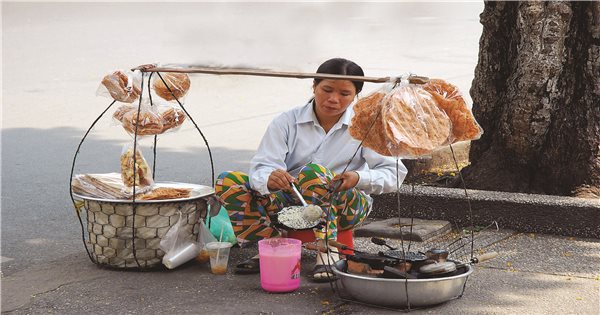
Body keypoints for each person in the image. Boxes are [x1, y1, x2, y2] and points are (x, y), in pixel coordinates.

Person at [215, 58, 407, 282]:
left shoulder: (366, 125)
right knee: (227, 181)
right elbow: (263, 165)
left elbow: (393, 174)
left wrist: (357, 178)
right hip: (292, 201)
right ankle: (272, 246)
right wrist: (270, 178)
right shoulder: (286, 122)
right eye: (326, 89)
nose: (333, 99)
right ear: (314, 86)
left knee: (313, 173)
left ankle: (327, 252)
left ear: (355, 96)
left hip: (345, 205)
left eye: (344, 94)